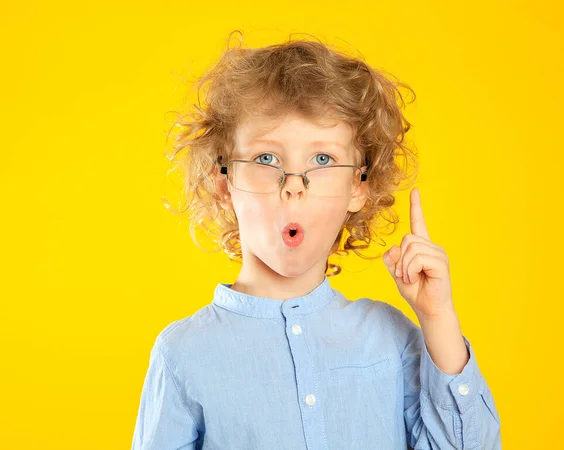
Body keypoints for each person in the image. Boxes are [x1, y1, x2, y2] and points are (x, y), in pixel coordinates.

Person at [131, 30, 501, 449]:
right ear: (224, 180)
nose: (293, 186)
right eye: (266, 158)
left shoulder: (391, 338)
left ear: (359, 187)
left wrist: (437, 318)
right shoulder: (183, 354)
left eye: (322, 159)